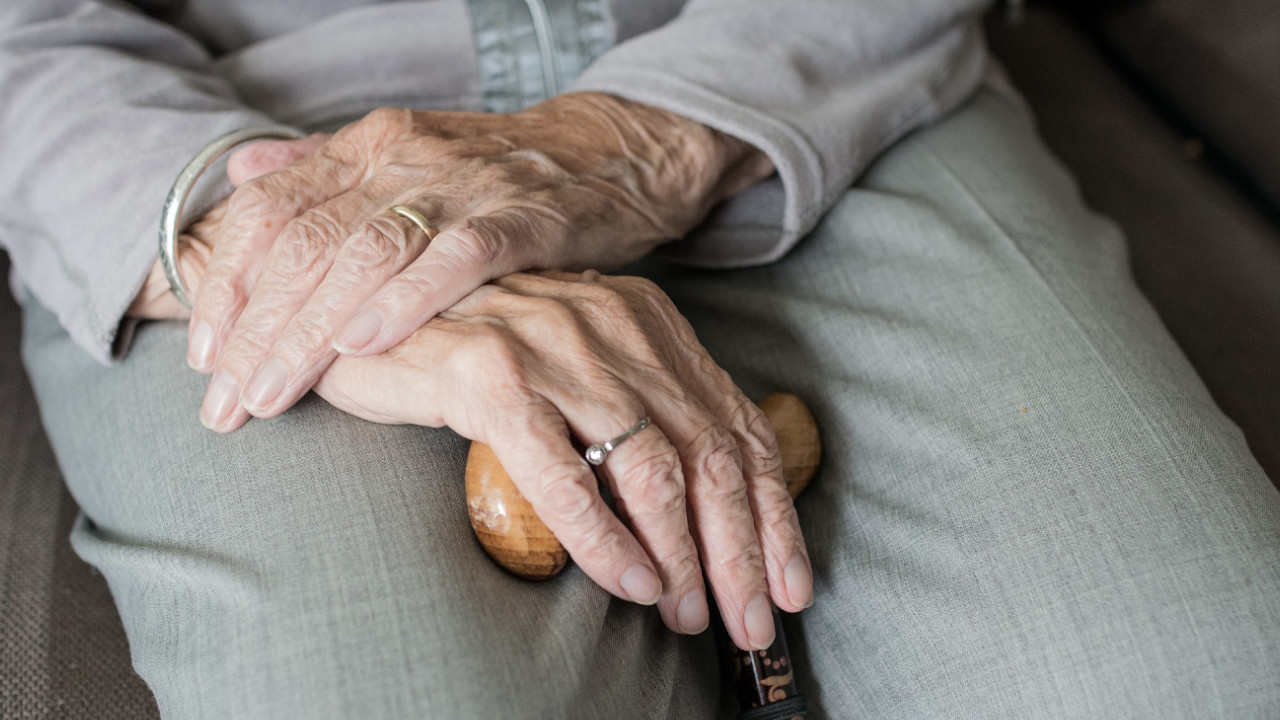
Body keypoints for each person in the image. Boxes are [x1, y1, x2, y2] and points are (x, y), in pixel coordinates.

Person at [3, 1, 1279, 718]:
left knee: (1189, 676)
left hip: (805, 69)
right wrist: (295, 254)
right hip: (240, 143)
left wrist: (630, 139)